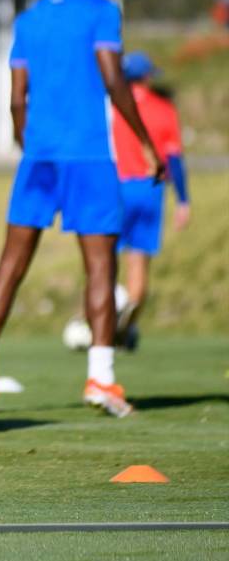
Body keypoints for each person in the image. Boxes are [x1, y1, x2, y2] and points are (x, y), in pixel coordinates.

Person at [0, 0, 164, 419]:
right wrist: (146, 142)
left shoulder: (30, 19)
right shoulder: (102, 11)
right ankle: (101, 378)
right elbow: (114, 80)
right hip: (88, 157)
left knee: (11, 263)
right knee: (100, 265)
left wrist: (27, 141)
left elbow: (17, 98)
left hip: (39, 157)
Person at [110, 51, 190, 349]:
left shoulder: (113, 107)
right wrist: (183, 200)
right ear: (147, 77)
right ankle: (126, 323)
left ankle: (104, 321)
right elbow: (175, 159)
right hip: (149, 188)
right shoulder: (163, 108)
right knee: (138, 262)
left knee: (104, 261)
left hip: (114, 188)